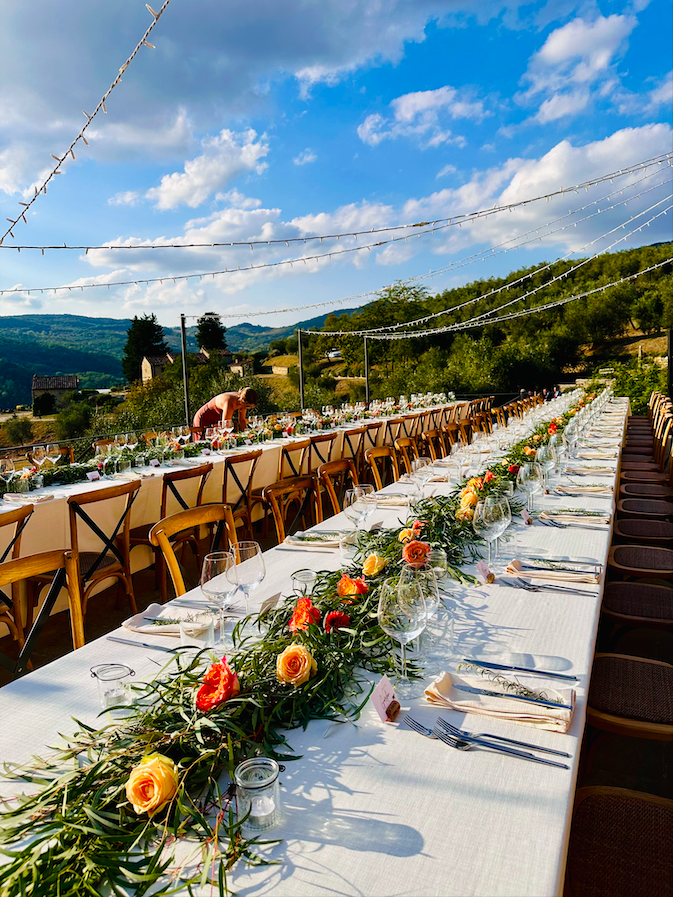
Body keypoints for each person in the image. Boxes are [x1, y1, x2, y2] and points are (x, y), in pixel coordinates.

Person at [193, 387, 258, 436]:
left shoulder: (242, 402)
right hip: (204, 418)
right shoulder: (229, 402)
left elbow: (242, 420)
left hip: (216, 420)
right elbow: (226, 425)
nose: (247, 408)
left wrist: (247, 435)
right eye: (247, 406)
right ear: (242, 400)